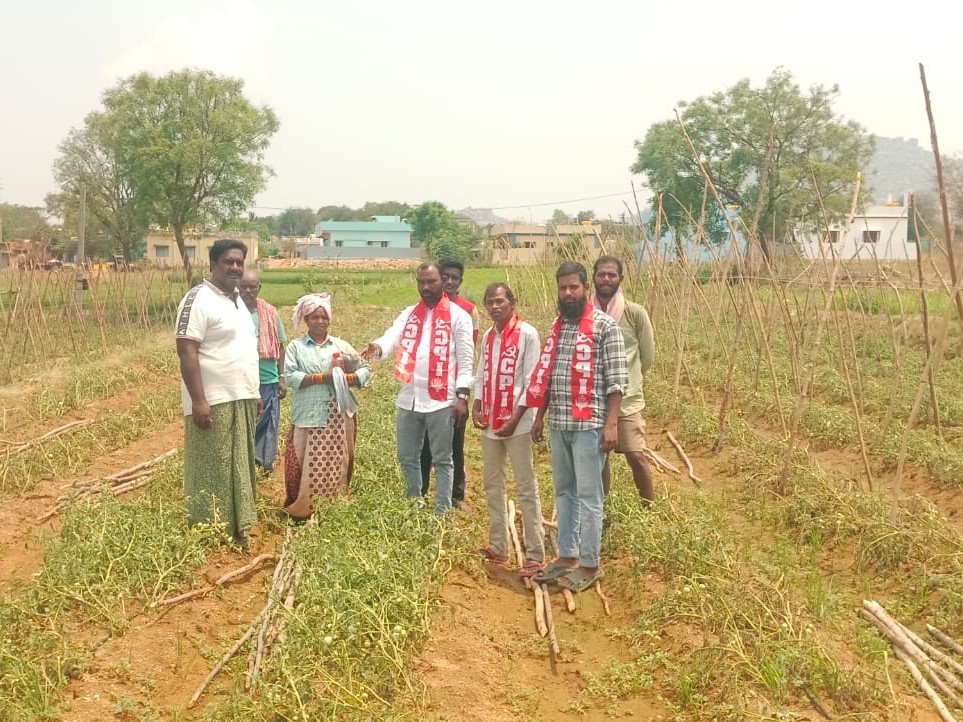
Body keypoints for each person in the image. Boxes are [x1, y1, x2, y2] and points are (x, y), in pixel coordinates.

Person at [526, 261, 627, 592]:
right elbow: (548, 375)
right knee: (564, 490)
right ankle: (566, 556)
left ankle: (590, 562)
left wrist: (612, 424)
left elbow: (616, 381)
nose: (567, 293)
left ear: (586, 288)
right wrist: (539, 417)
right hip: (560, 422)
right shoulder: (558, 325)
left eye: (573, 287)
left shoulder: (605, 327)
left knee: (589, 494)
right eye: (562, 288)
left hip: (590, 425)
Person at [361, 263, 474, 516]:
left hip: (441, 399)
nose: (425, 287)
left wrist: (462, 397)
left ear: (441, 283)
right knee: (407, 456)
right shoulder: (410, 314)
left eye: (431, 282)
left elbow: (465, 363)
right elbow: (393, 335)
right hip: (410, 397)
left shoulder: (459, 317)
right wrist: (377, 347)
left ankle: (442, 512)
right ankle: (415, 504)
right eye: (421, 282)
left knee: (443, 459)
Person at [175, 239, 261, 550]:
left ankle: (239, 527)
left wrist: (254, 392)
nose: (235, 268)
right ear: (212, 265)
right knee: (213, 466)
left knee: (238, 463)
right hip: (214, 399)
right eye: (228, 262)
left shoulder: (237, 300)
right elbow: (187, 351)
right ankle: (208, 531)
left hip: (242, 396)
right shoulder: (197, 299)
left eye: (239, 262)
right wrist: (199, 400)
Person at [471, 282, 546, 577]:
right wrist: (477, 403)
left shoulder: (528, 334)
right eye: (490, 302)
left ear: (512, 303)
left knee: (526, 486)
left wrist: (516, 419)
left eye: (500, 301)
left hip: (518, 424)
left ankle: (536, 555)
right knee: (493, 484)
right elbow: (481, 372)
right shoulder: (489, 336)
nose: (495, 306)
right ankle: (499, 547)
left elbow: (531, 380)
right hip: (491, 421)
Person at [283, 293, 372, 517]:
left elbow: (365, 369)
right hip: (308, 413)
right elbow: (291, 376)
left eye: (324, 317)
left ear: (329, 319)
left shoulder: (340, 346)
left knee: (336, 458)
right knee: (304, 459)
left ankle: (332, 505)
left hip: (338, 414)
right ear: (306, 319)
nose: (320, 321)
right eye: (314, 317)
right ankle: (303, 507)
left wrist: (347, 378)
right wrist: (323, 377)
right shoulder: (296, 347)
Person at [592, 256, 656, 502]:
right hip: (595, 400)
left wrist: (629, 381)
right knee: (600, 459)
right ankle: (602, 508)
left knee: (636, 455)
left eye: (612, 274)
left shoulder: (634, 313)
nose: (606, 279)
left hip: (627, 401)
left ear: (621, 278)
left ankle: (648, 508)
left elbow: (647, 357)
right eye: (601, 274)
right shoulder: (586, 314)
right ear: (594, 277)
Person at [420, 258, 479, 510]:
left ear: (460, 281)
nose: (450, 281)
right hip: (428, 389)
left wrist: (462, 393)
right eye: (446, 277)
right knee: (424, 444)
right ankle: (420, 492)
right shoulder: (425, 309)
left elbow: (469, 353)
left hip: (455, 388)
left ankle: (456, 494)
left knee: (456, 442)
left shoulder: (468, 310)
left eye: (455, 277)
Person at [239, 271, 287, 475]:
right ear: (237, 288)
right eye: (244, 287)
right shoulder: (232, 312)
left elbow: (281, 345)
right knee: (244, 423)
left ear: (259, 288)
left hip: (268, 378)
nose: (248, 291)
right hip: (240, 380)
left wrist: (282, 376)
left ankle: (264, 463)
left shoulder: (270, 312)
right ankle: (244, 463)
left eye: (252, 287)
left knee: (268, 424)